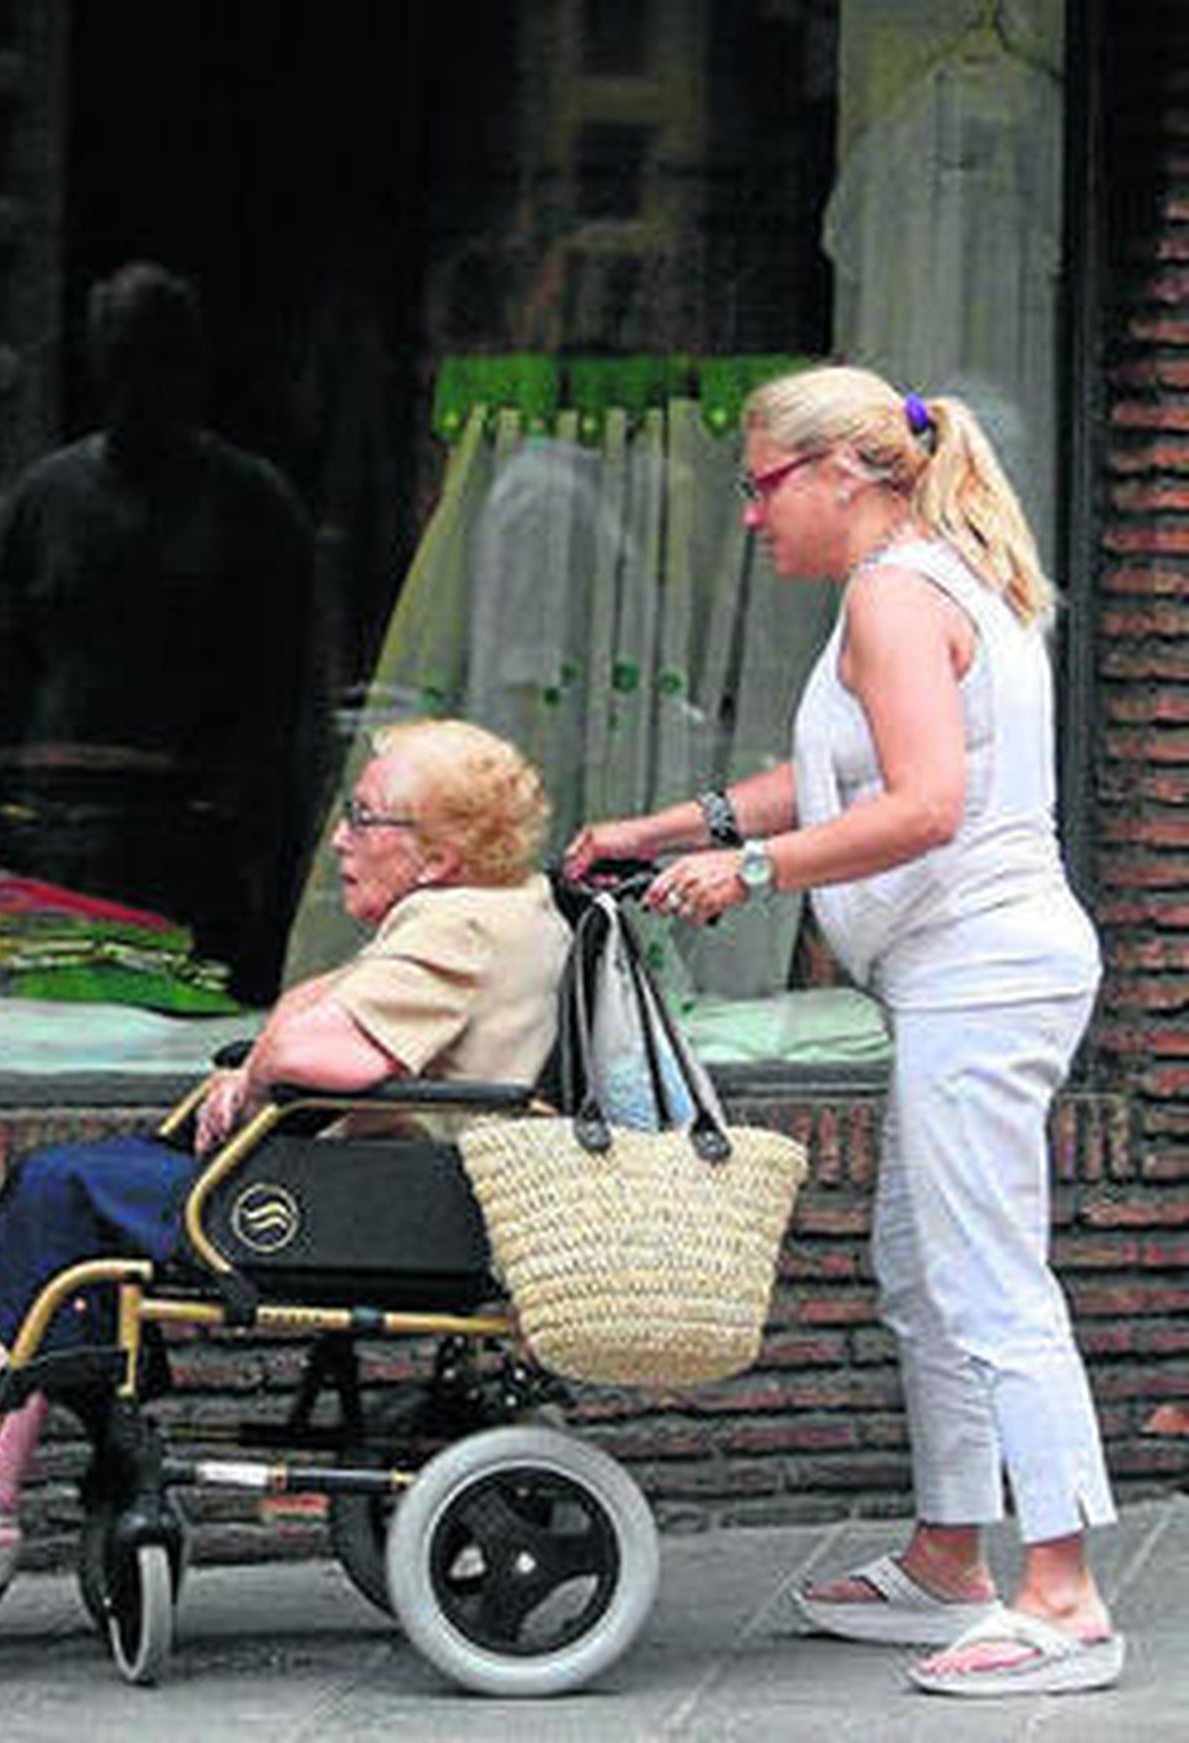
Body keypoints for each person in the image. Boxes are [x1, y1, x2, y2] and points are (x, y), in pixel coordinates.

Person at [565, 364, 1119, 1699]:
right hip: (970, 973)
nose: (751, 517)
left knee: (986, 1275)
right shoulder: (927, 576)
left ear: (843, 475)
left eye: (762, 486)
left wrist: (755, 875)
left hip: (979, 975)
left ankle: (1064, 1591)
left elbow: (923, 804)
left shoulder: (894, 590)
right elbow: (835, 774)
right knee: (925, 1268)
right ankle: (946, 1555)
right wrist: (660, 831)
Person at [0, 717, 571, 1584]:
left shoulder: (453, 926)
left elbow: (331, 1059)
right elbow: (335, 1028)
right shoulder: (499, 910)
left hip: (372, 1209)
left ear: (436, 855)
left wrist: (255, 1067)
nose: (338, 838)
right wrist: (287, 1035)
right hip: (387, 1190)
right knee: (62, 1198)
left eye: (363, 818)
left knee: (58, 1190)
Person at [0, 262, 322, 1001]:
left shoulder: (253, 506)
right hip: (62, 836)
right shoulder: (46, 499)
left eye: (157, 358)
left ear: (192, 369)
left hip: (198, 841)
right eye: (121, 357)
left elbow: (288, 695)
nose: (138, 382)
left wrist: (271, 838)